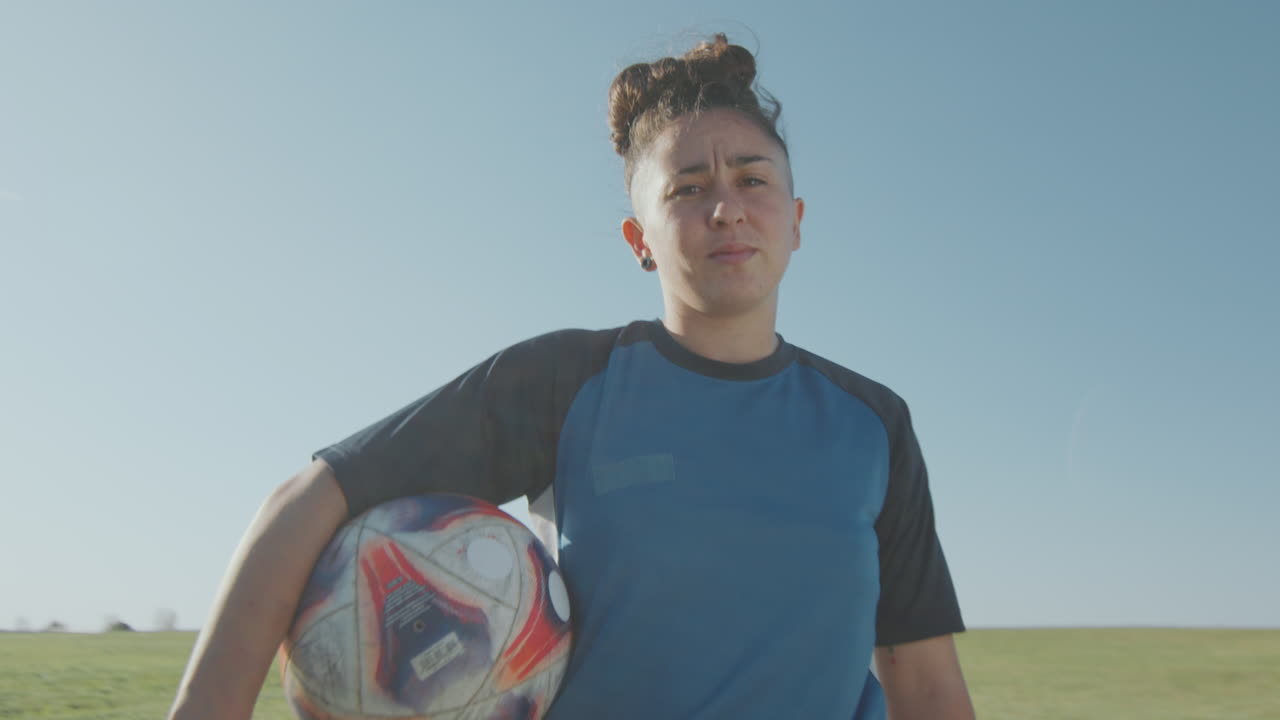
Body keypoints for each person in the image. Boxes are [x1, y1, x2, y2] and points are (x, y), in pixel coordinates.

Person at [169, 34, 975, 720]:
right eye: (688, 188)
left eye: (753, 180)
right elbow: (309, 500)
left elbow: (923, 677)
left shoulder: (872, 423)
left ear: (796, 221)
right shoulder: (564, 383)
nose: (725, 209)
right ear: (639, 239)